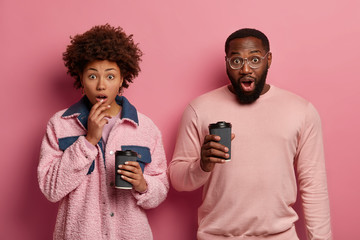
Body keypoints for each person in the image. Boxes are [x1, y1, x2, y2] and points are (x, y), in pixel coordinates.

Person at [169, 28, 332, 239]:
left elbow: (314, 186)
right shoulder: (199, 109)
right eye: (236, 61)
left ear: (269, 59)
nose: (246, 69)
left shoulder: (301, 110)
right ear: (226, 62)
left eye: (255, 59)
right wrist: (202, 165)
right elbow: (177, 180)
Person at [38, 24, 169, 240]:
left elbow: (160, 190)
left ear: (121, 80)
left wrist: (143, 184)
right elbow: (51, 189)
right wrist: (89, 141)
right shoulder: (59, 125)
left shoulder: (145, 128)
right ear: (80, 79)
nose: (101, 85)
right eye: (92, 76)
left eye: (110, 77)